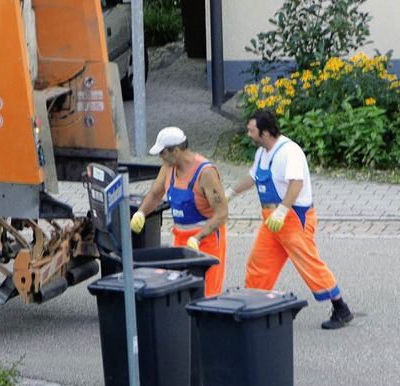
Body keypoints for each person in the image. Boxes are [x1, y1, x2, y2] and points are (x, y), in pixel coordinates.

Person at [226, 109, 354, 329]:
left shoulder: (289, 151)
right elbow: (253, 176)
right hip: (271, 221)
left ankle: (341, 307)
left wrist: (283, 210)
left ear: (265, 132)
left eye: (251, 130)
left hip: (293, 218)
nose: (248, 134)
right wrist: (230, 192)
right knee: (258, 265)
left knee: (309, 264)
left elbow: (296, 182)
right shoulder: (262, 153)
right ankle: (253, 306)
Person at [130, 127, 228, 297]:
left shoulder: (205, 173)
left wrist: (197, 238)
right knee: (182, 292)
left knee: (207, 294)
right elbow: (155, 194)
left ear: (175, 151)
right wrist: (141, 213)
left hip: (207, 241)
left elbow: (222, 214)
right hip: (181, 239)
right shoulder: (169, 167)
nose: (160, 157)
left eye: (162, 153)